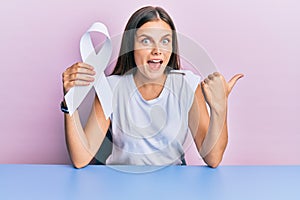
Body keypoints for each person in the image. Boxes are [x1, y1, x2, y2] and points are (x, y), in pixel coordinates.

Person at [62, 6, 243, 168]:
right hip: (119, 183)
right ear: (131, 46)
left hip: (172, 184)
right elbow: (80, 158)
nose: (157, 50)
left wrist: (220, 108)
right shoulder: (110, 87)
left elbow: (213, 158)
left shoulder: (186, 85)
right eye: (146, 41)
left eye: (165, 41)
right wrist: (70, 100)